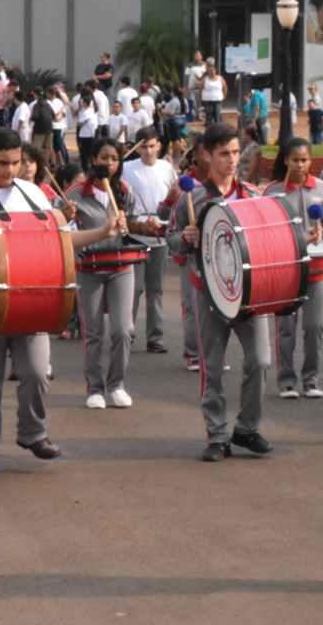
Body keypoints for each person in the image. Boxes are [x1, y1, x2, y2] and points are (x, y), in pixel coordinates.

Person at [0, 128, 126, 480]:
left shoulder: (33, 194)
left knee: (36, 373)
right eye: (2, 162)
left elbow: (60, 240)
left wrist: (103, 232)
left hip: (31, 303)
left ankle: (32, 433)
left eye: (16, 162)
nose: (9, 170)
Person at [167, 123, 274, 462]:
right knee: (211, 368)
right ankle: (217, 435)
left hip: (249, 294)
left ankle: (247, 428)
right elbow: (171, 243)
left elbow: (268, 242)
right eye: (224, 154)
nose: (231, 160)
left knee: (260, 361)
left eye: (235, 152)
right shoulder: (191, 197)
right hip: (208, 293)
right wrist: (186, 237)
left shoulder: (253, 197)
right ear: (206, 156)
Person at [68, 138, 166, 409]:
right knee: (94, 332)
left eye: (114, 159)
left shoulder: (126, 189)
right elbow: (65, 232)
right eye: (103, 158)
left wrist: (144, 226)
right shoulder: (75, 194)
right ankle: (94, 389)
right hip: (88, 269)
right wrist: (64, 214)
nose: (109, 163)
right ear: (93, 160)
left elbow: (131, 226)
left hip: (122, 267)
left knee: (124, 330)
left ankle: (116, 384)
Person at [263, 137, 323, 400]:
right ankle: (286, 381)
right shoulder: (273, 192)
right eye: (295, 160)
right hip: (286, 269)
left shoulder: (322, 187)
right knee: (286, 326)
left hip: (315, 268)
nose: (300, 165)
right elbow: (266, 233)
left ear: (311, 160)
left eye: (305, 160)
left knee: (314, 326)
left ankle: (311, 380)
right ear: (285, 160)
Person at [121, 127, 175, 354]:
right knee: (133, 288)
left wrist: (172, 199)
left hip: (160, 232)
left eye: (152, 146)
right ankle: (127, 333)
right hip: (135, 231)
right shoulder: (126, 168)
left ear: (159, 146)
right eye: (143, 146)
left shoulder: (167, 167)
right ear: (136, 147)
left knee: (156, 288)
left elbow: (174, 195)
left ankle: (155, 337)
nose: (148, 150)